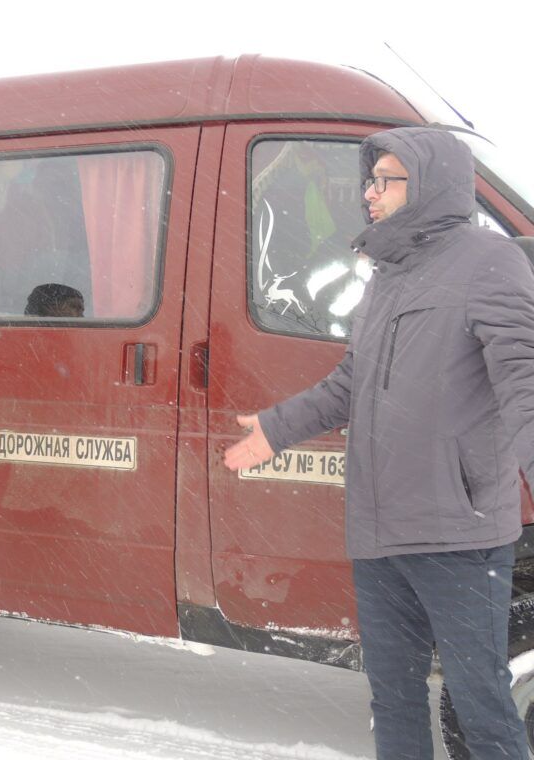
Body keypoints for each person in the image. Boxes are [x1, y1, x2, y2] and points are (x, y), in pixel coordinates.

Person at [224, 126, 533, 759]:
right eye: (370, 180)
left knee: (482, 702)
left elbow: (525, 377)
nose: (369, 193)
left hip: (460, 534)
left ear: (428, 184)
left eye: (385, 179)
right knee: (392, 697)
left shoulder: (488, 260)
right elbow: (349, 383)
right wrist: (276, 430)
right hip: (378, 528)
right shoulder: (386, 273)